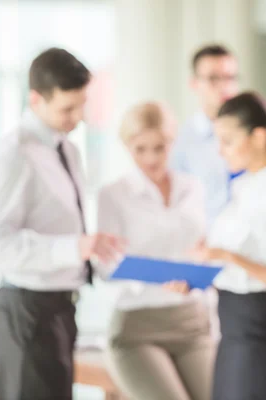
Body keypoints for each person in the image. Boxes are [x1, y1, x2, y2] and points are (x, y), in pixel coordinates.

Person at [0, 48, 124, 400]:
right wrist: (72, 248)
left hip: (61, 309)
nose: (77, 117)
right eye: (67, 109)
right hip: (26, 313)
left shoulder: (68, 150)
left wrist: (91, 249)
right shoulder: (13, 154)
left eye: (82, 106)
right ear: (36, 99)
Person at [194, 92, 266, 400]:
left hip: (259, 332)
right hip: (232, 327)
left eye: (228, 141)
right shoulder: (244, 187)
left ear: (258, 137)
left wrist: (231, 257)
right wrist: (198, 272)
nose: (221, 151)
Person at [97, 102, 214, 400]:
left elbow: (203, 244)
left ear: (172, 143)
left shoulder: (194, 188)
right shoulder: (113, 195)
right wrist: (154, 278)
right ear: (127, 146)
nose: (151, 158)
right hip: (138, 326)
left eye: (159, 147)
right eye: (140, 149)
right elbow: (105, 267)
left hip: (192, 320)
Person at [170, 44, 239, 226]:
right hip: (205, 247)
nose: (224, 86)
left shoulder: (253, 137)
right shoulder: (180, 142)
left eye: (230, 78)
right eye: (213, 78)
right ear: (194, 83)